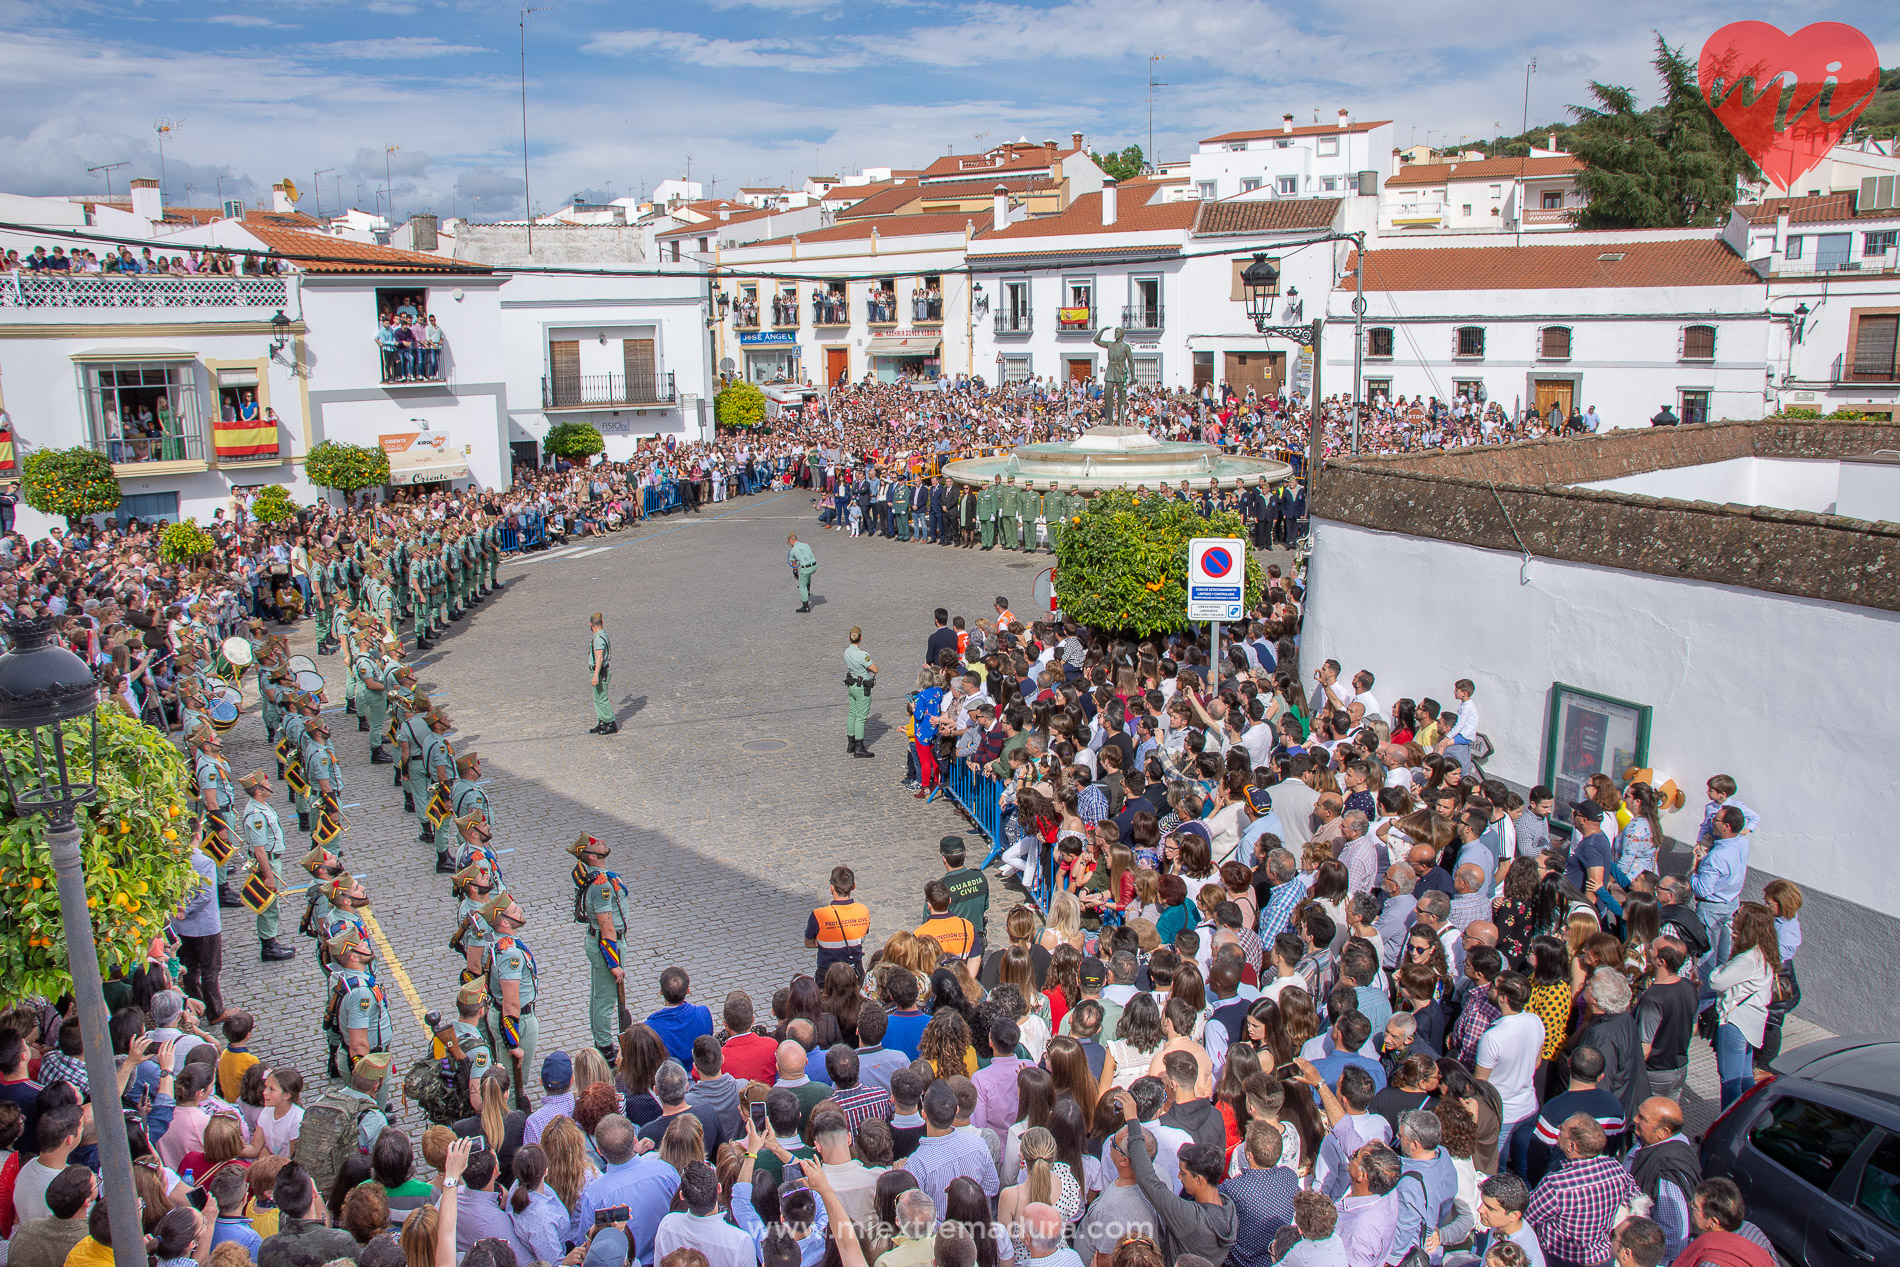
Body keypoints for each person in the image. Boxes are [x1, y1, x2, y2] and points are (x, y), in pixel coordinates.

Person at [1705, 904, 1777, 1108]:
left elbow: (1716, 981)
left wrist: (1722, 966)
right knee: (1744, 1076)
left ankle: (1728, 1125)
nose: (1734, 917)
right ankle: (1752, 1117)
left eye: (1738, 915)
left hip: (1735, 1022)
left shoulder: (1747, 959)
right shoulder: (1761, 952)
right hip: (1751, 1022)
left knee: (1730, 1080)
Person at [572, 835, 631, 1062]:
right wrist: (613, 962)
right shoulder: (601, 886)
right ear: (592, 856)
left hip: (606, 940)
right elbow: (606, 924)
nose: (603, 841)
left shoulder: (602, 878)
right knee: (605, 1000)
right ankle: (605, 1047)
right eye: (596, 843)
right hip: (608, 943)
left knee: (600, 996)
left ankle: (602, 1042)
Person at [845, 627, 878, 758]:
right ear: (861, 638)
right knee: (861, 718)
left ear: (849, 638)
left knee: (852, 713)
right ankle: (859, 747)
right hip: (862, 688)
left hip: (852, 685)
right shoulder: (862, 655)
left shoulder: (847, 652)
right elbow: (875, 669)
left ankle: (850, 744)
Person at [588, 612, 617, 736]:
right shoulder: (603, 635)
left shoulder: (599, 639)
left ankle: (610, 723)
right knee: (598, 698)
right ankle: (602, 721)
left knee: (601, 699)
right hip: (601, 671)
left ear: (591, 625)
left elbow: (599, 658)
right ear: (602, 623)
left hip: (600, 672)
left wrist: (595, 675)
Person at [788, 533, 818, 612]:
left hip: (806, 568)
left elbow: (794, 566)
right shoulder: (806, 545)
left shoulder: (792, 551)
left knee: (802, 586)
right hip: (814, 566)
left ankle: (805, 606)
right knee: (807, 574)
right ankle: (808, 591)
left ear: (791, 541)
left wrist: (795, 573)